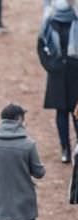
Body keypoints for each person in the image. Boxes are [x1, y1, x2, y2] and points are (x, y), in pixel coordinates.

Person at [38, 0, 78, 163]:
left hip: (75, 75)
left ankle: (76, 148)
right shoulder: (49, 22)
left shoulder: (75, 20)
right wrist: (50, 65)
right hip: (57, 76)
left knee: (76, 113)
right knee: (61, 113)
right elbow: (41, 46)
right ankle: (65, 149)